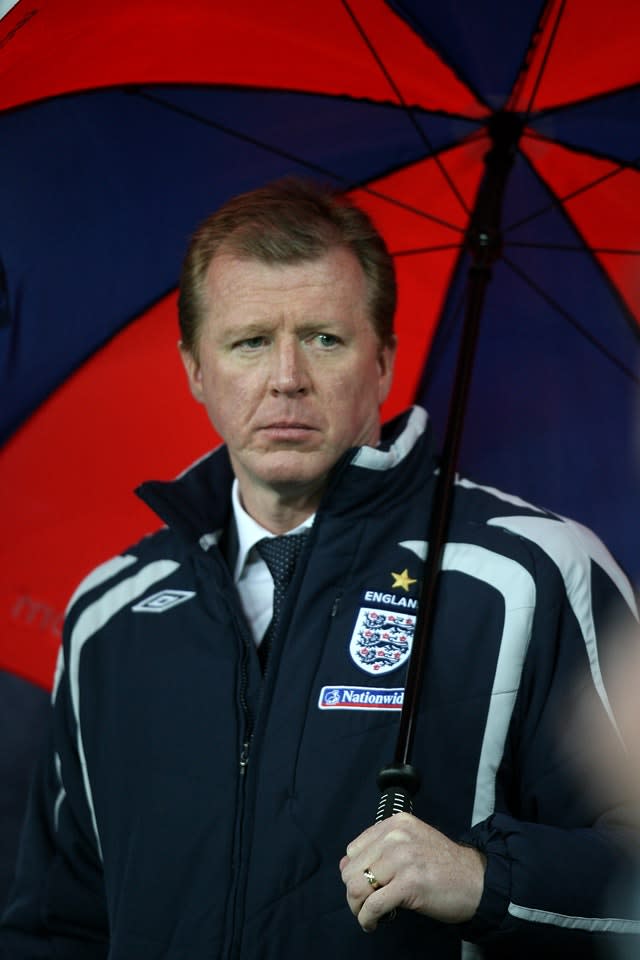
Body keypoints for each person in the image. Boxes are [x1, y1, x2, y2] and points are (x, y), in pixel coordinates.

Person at [1, 178, 639, 960]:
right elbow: (56, 925)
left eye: (325, 339)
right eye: (249, 342)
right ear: (196, 370)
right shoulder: (109, 615)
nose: (287, 378)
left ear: (384, 361)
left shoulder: (536, 576)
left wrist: (482, 879)